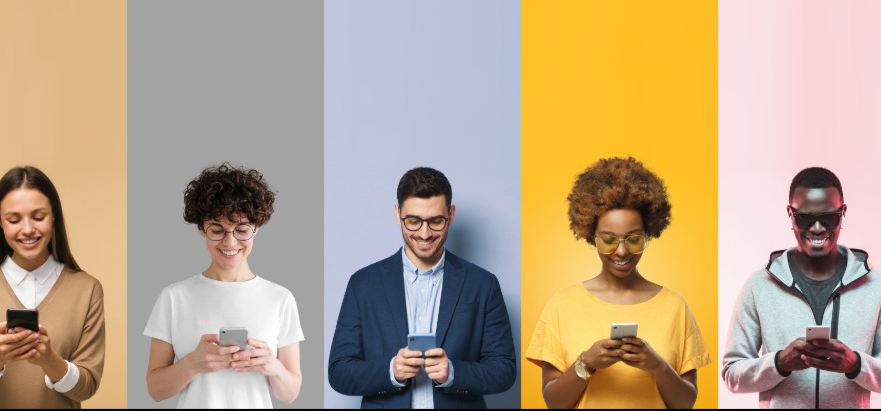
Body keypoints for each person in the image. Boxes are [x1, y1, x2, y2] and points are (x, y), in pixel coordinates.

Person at [526, 157, 709, 409]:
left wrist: (657, 366)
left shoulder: (676, 307)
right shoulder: (563, 304)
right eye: (608, 240)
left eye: (633, 239)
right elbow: (554, 403)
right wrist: (587, 362)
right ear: (592, 236)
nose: (621, 251)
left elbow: (686, 403)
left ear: (648, 235)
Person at [722, 166, 881, 408]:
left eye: (829, 217)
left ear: (843, 213)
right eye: (805, 218)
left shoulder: (876, 285)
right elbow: (732, 374)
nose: (818, 228)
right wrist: (779, 363)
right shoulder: (760, 285)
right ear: (790, 214)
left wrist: (856, 365)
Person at [328, 167, 516, 408]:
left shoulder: (483, 284)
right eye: (413, 221)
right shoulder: (363, 284)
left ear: (451, 215)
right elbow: (339, 372)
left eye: (436, 221)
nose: (424, 234)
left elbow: (505, 370)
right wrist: (391, 370)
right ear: (398, 214)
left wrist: (453, 373)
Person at [144, 163, 304, 408]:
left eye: (241, 230)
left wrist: (272, 366)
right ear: (201, 229)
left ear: (256, 228)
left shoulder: (280, 298)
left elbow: (290, 393)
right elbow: (155, 390)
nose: (230, 242)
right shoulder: (174, 297)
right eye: (217, 230)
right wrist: (191, 364)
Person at [0, 166, 105, 408]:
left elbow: (87, 387)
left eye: (38, 217)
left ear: (54, 215)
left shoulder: (87, 290)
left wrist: (50, 360)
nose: (27, 229)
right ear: (1, 222)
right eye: (14, 219)